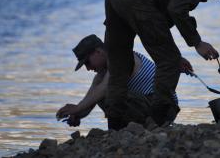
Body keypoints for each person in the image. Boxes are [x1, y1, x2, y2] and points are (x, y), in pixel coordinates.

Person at [104, 0, 220, 130]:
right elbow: (177, 9)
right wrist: (197, 43)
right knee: (168, 62)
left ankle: (114, 128)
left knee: (119, 66)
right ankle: (158, 122)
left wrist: (176, 55)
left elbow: (161, 22)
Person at [55, 34, 193, 127]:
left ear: (98, 52)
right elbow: (92, 98)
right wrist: (77, 114)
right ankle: (132, 127)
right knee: (102, 94)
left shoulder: (121, 58)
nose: (88, 68)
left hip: (165, 106)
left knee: (110, 92)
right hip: (146, 105)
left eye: (87, 63)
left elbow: (104, 89)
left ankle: (143, 126)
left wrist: (78, 108)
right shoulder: (102, 74)